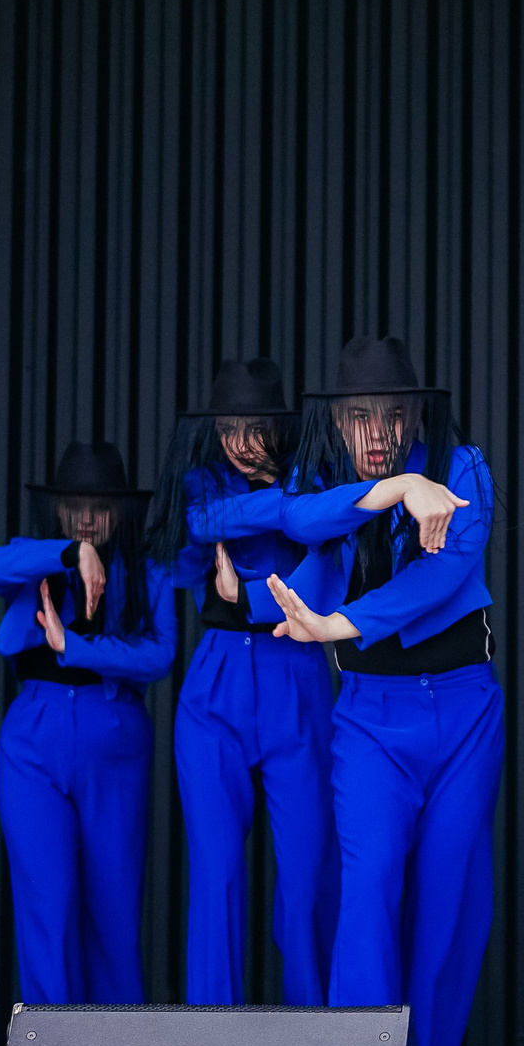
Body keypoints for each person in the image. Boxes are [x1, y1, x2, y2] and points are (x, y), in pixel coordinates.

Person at [263, 337, 498, 1046]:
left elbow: (446, 575)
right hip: (368, 714)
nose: (376, 430)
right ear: (338, 418)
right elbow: (295, 516)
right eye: (360, 414)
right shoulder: (333, 475)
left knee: (447, 896)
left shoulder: (464, 469)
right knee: (367, 891)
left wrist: (343, 621)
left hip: (465, 708)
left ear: (415, 414)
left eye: (392, 415)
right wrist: (395, 486)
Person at [147, 360, 341, 1005]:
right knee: (217, 870)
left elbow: (325, 564)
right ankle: (213, 1043)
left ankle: (313, 1043)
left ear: (279, 429)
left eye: (255, 428)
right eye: (230, 429)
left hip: (298, 673)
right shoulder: (200, 483)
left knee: (309, 874)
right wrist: (273, 515)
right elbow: (184, 540)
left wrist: (249, 587)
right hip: (216, 679)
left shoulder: (313, 480)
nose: (241, 444)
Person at [0, 440, 175, 1004]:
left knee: (113, 908)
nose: (87, 518)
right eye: (75, 506)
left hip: (115, 739)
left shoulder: (147, 570)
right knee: (48, 900)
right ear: (58, 509)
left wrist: (77, 647)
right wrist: (70, 553)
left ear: (122, 512)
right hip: (32, 742)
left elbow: (159, 656)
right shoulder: (35, 555)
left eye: (101, 506)